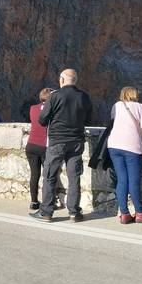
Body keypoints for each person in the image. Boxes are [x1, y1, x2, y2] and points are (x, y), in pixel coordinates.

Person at [31, 69, 92, 223]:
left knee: (50, 175)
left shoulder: (55, 96)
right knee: (74, 177)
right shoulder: (84, 97)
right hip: (77, 142)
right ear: (75, 80)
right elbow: (90, 119)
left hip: (57, 141)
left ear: (62, 80)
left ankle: (46, 212)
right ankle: (74, 213)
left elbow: (42, 120)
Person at [108, 87, 142, 224]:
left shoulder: (116, 105)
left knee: (122, 180)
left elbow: (113, 121)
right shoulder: (141, 107)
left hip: (114, 145)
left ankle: (124, 213)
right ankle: (140, 213)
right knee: (134, 180)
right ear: (135, 95)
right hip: (132, 147)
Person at [26, 88, 53, 210]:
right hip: (44, 146)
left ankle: (34, 201)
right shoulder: (52, 111)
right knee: (48, 175)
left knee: (34, 174)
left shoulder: (32, 108)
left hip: (31, 145)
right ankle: (48, 201)